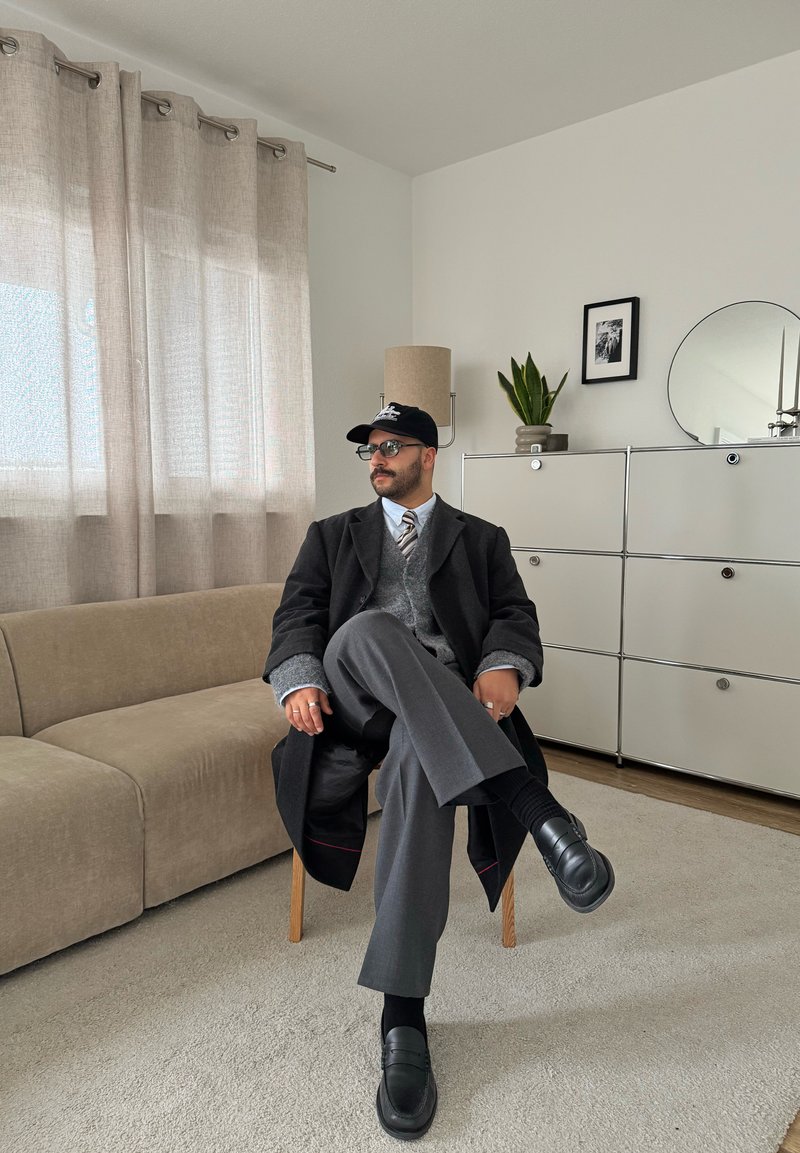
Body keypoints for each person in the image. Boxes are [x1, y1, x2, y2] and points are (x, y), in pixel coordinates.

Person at [264, 402, 614, 1141]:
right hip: (355, 698)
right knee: (366, 629)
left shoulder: (482, 539)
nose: (375, 459)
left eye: (390, 446)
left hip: (445, 711)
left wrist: (502, 667)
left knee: (426, 756)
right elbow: (296, 615)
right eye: (368, 449)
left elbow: (515, 615)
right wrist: (297, 677)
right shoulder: (332, 536)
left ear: (427, 454)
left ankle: (403, 1016)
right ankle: (536, 808)